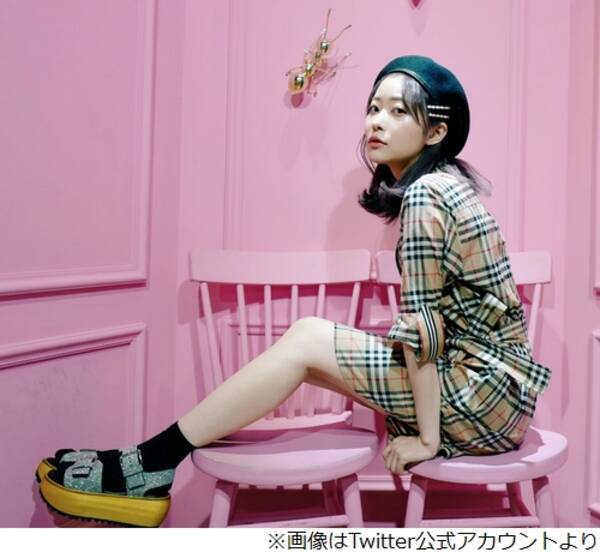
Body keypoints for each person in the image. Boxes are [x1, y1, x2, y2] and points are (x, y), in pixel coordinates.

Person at [37, 55, 551, 527]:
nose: (376, 122)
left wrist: (426, 440)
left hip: (478, 399)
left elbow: (425, 332)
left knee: (307, 338)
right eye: (374, 108)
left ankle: (149, 463)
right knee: (308, 341)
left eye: (398, 112)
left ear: (436, 130)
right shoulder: (446, 186)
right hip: (496, 396)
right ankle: (152, 461)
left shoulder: (426, 197)